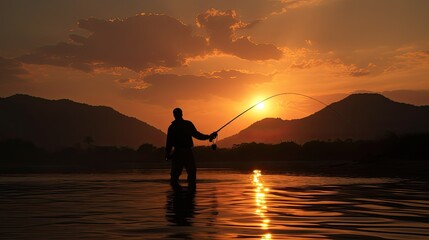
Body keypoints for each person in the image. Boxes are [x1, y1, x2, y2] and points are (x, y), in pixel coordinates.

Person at [166, 108, 217, 190]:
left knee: (175, 176)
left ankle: (176, 194)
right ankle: (190, 193)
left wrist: (167, 154)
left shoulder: (172, 127)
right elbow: (197, 135)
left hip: (178, 153)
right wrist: (208, 136)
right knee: (191, 173)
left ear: (174, 115)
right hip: (186, 152)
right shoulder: (187, 124)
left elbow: (169, 143)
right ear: (181, 114)